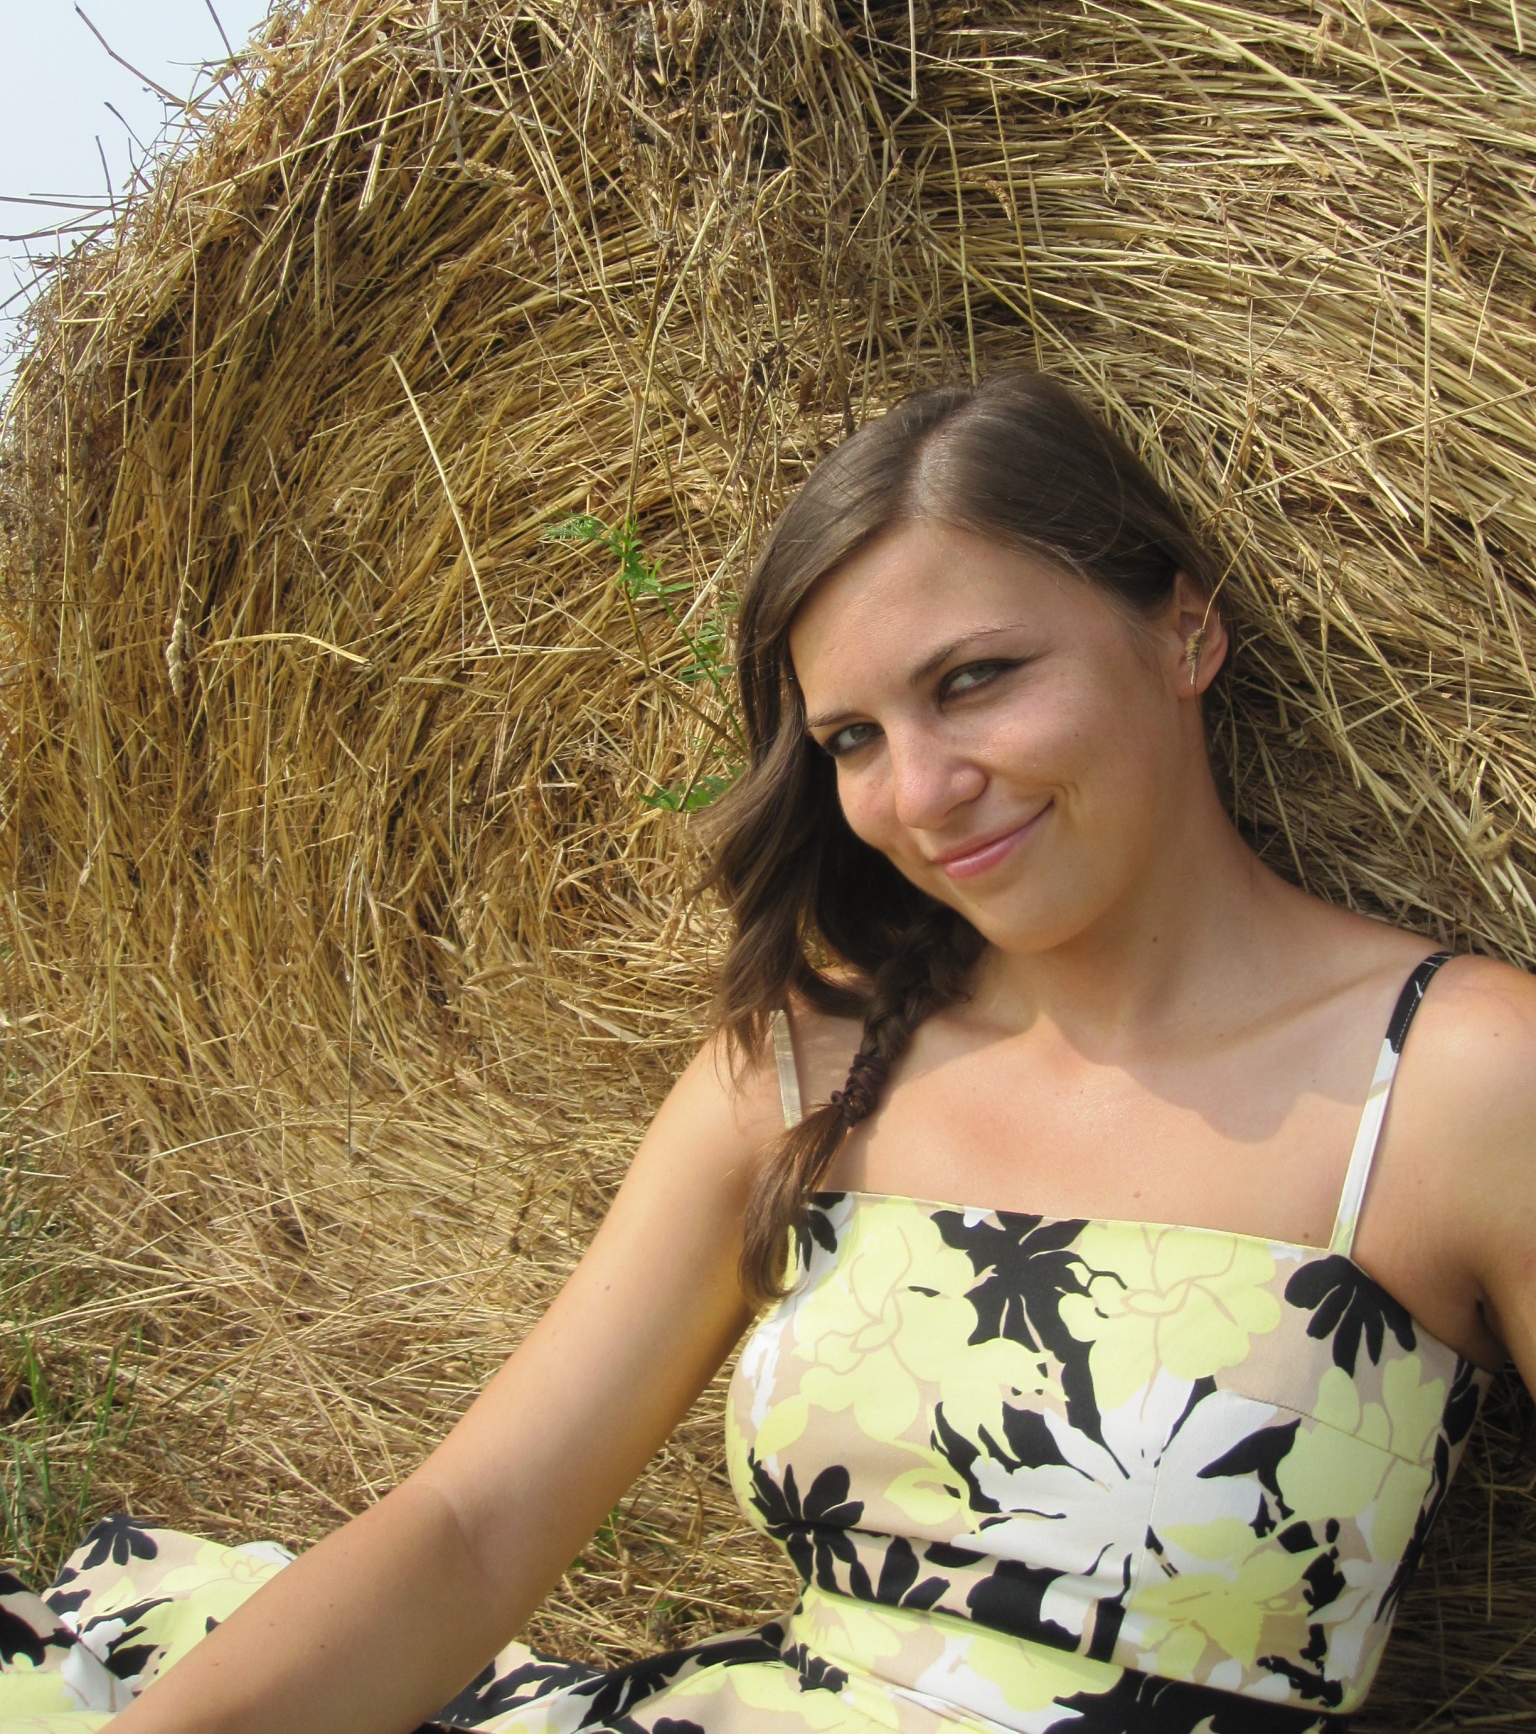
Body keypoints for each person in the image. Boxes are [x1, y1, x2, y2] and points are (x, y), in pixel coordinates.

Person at [3, 371, 1533, 1734]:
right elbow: (474, 1528)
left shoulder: (1455, 1085)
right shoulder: (811, 1071)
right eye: (852, 737)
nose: (918, 792)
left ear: (1184, 630)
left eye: (975, 679)